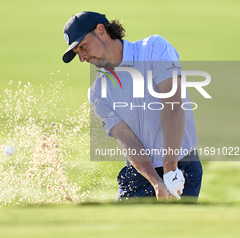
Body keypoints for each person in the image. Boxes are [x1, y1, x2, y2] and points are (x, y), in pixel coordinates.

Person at [62, 11, 203, 201]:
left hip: (181, 166)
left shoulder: (154, 48)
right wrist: (156, 181)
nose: (82, 57)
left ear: (101, 31)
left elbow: (172, 106)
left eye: (83, 47)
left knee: (172, 230)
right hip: (140, 174)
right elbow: (128, 142)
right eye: (78, 52)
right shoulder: (96, 92)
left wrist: (170, 171)